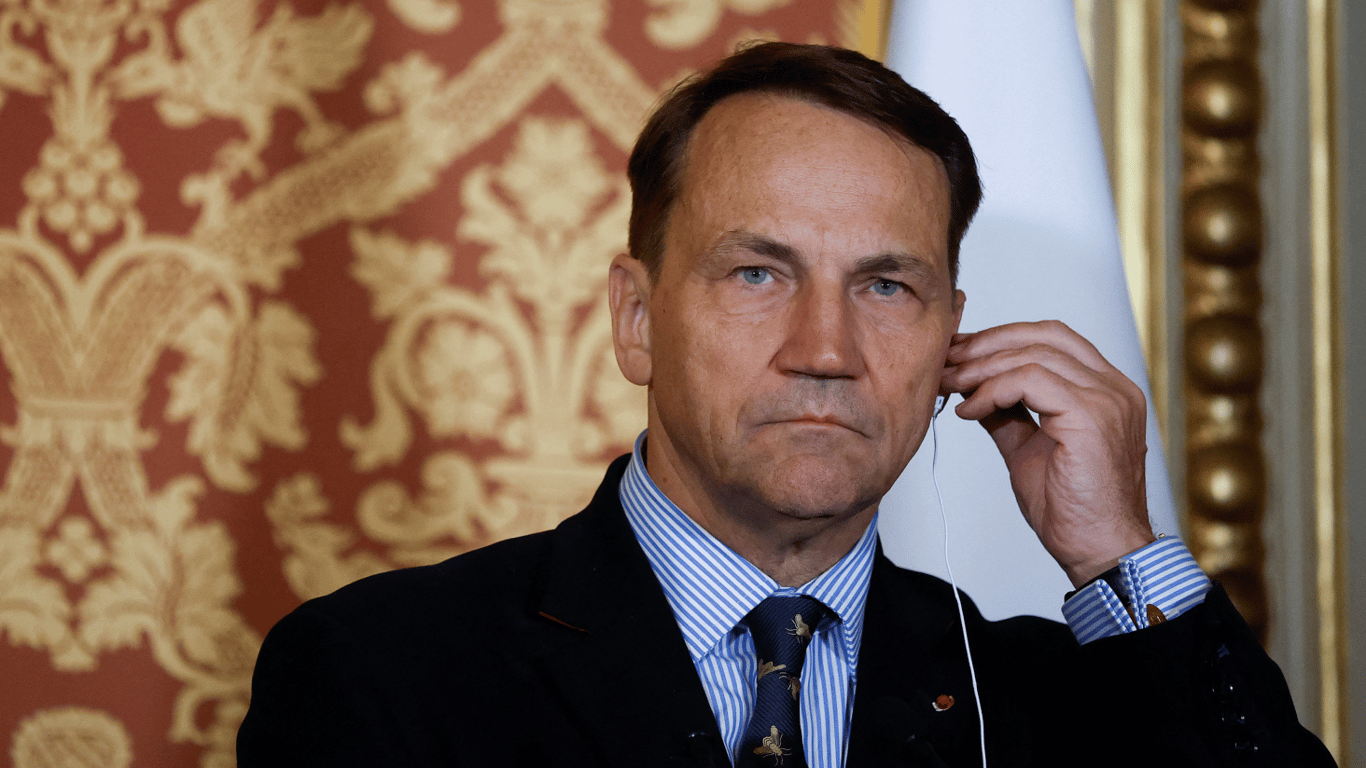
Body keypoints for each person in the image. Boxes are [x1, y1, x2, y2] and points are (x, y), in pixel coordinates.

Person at [237, 42, 1334, 767]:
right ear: (636, 319)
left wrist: (1118, 554)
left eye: (886, 286)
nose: (826, 351)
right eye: (758, 273)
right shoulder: (383, 673)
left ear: (951, 340)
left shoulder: (1059, 701)